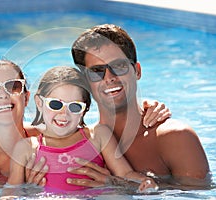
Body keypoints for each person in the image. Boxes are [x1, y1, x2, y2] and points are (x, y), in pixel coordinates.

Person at [0, 59, 169, 186]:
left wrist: (144, 108)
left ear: (27, 98)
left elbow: (76, 118)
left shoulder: (55, 130)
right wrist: (27, 190)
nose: (3, 95)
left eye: (13, 86)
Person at [69, 24, 211, 188]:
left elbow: (198, 195)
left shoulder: (175, 138)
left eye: (119, 66)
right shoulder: (79, 145)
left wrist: (119, 185)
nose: (109, 78)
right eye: (96, 71)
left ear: (137, 71)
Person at [7, 66, 158, 192]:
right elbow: (11, 190)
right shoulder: (26, 149)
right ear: (39, 102)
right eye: (55, 104)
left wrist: (145, 181)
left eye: (74, 107)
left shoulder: (98, 136)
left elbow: (125, 174)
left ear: (84, 110)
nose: (64, 114)